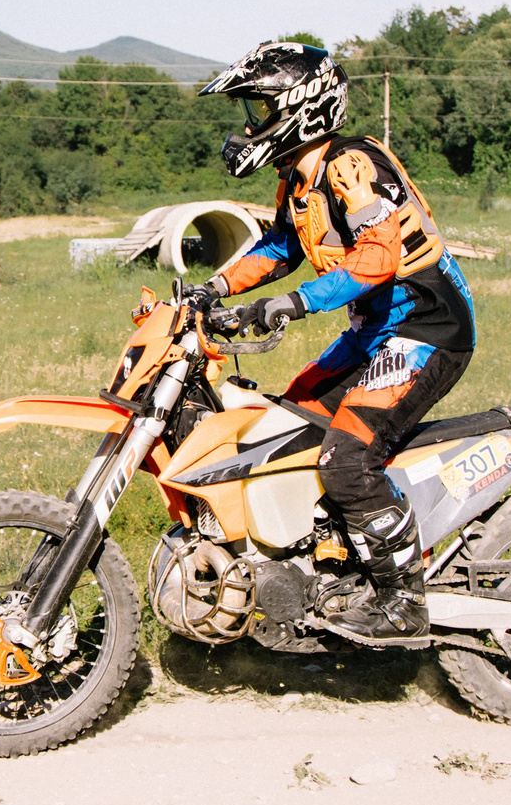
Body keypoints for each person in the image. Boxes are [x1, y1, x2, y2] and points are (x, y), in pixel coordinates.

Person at [189, 39, 476, 637]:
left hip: (426, 327)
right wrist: (213, 288)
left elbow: (374, 262)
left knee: (346, 456)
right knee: (287, 428)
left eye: (261, 110)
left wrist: (288, 306)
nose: (252, 126)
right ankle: (329, 566)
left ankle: (403, 600)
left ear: (301, 105)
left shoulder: (353, 166)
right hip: (374, 332)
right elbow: (278, 249)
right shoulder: (299, 180)